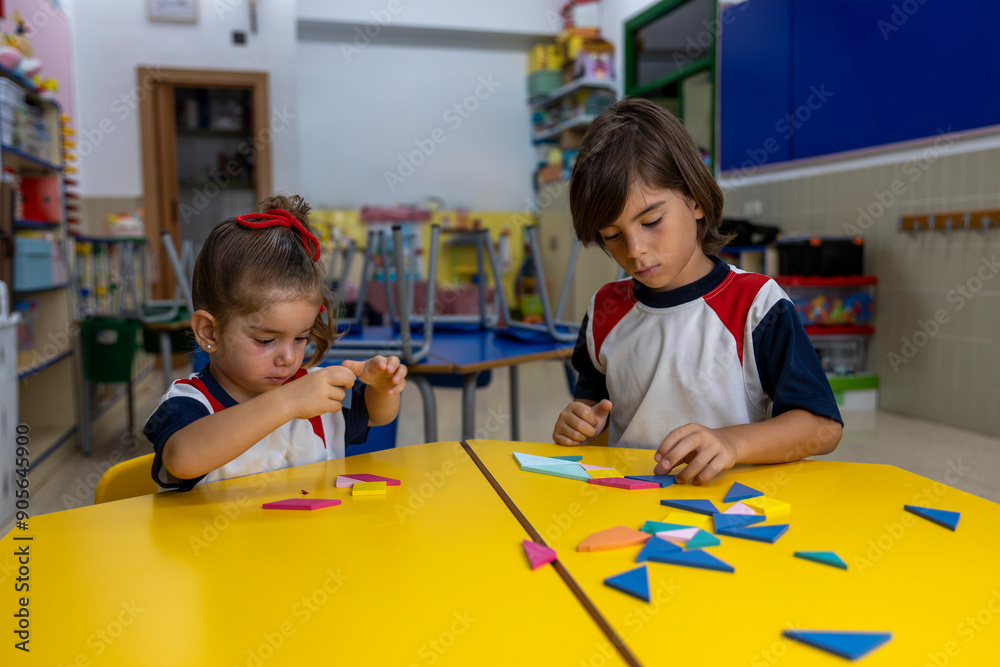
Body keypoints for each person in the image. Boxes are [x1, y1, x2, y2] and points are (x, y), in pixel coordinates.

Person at [552, 98, 842, 485]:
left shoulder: (757, 305)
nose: (635, 250)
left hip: (729, 510)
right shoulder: (604, 309)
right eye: (613, 236)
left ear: (695, 200)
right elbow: (595, 409)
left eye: (652, 221)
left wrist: (732, 443)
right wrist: (580, 423)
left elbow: (822, 427)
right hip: (625, 503)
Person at [143, 194, 406, 491]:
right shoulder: (190, 402)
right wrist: (289, 401)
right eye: (266, 340)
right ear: (209, 333)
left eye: (300, 338)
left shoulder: (311, 395)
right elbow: (182, 458)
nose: (288, 358)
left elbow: (374, 417)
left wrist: (383, 389)